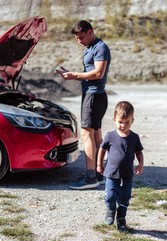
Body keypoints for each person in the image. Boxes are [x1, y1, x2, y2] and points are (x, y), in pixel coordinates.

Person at [56, 20, 111, 190]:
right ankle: (98, 173)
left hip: (94, 96)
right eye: (76, 38)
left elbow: (98, 73)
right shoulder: (90, 48)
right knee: (95, 136)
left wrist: (74, 75)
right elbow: (90, 71)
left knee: (87, 135)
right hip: (93, 96)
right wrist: (71, 73)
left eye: (81, 37)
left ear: (90, 32)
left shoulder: (100, 47)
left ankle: (90, 177)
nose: (78, 41)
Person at [97, 101, 144, 231]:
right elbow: (102, 150)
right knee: (110, 196)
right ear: (114, 120)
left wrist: (140, 164)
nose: (123, 125)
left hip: (127, 174)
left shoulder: (134, 137)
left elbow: (139, 152)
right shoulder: (110, 136)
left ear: (132, 120)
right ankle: (111, 210)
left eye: (127, 122)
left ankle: (121, 218)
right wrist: (99, 164)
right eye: (120, 122)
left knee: (125, 197)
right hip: (111, 173)